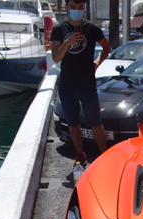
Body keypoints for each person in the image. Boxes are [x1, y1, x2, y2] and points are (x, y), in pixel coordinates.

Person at [51, 0, 110, 167]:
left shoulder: (92, 28)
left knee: (95, 122)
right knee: (73, 122)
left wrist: (97, 62)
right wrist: (67, 43)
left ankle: (104, 155)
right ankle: (80, 154)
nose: (77, 10)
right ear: (66, 7)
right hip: (67, 84)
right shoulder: (58, 29)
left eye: (80, 7)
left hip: (87, 83)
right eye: (73, 7)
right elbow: (56, 57)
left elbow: (106, 47)